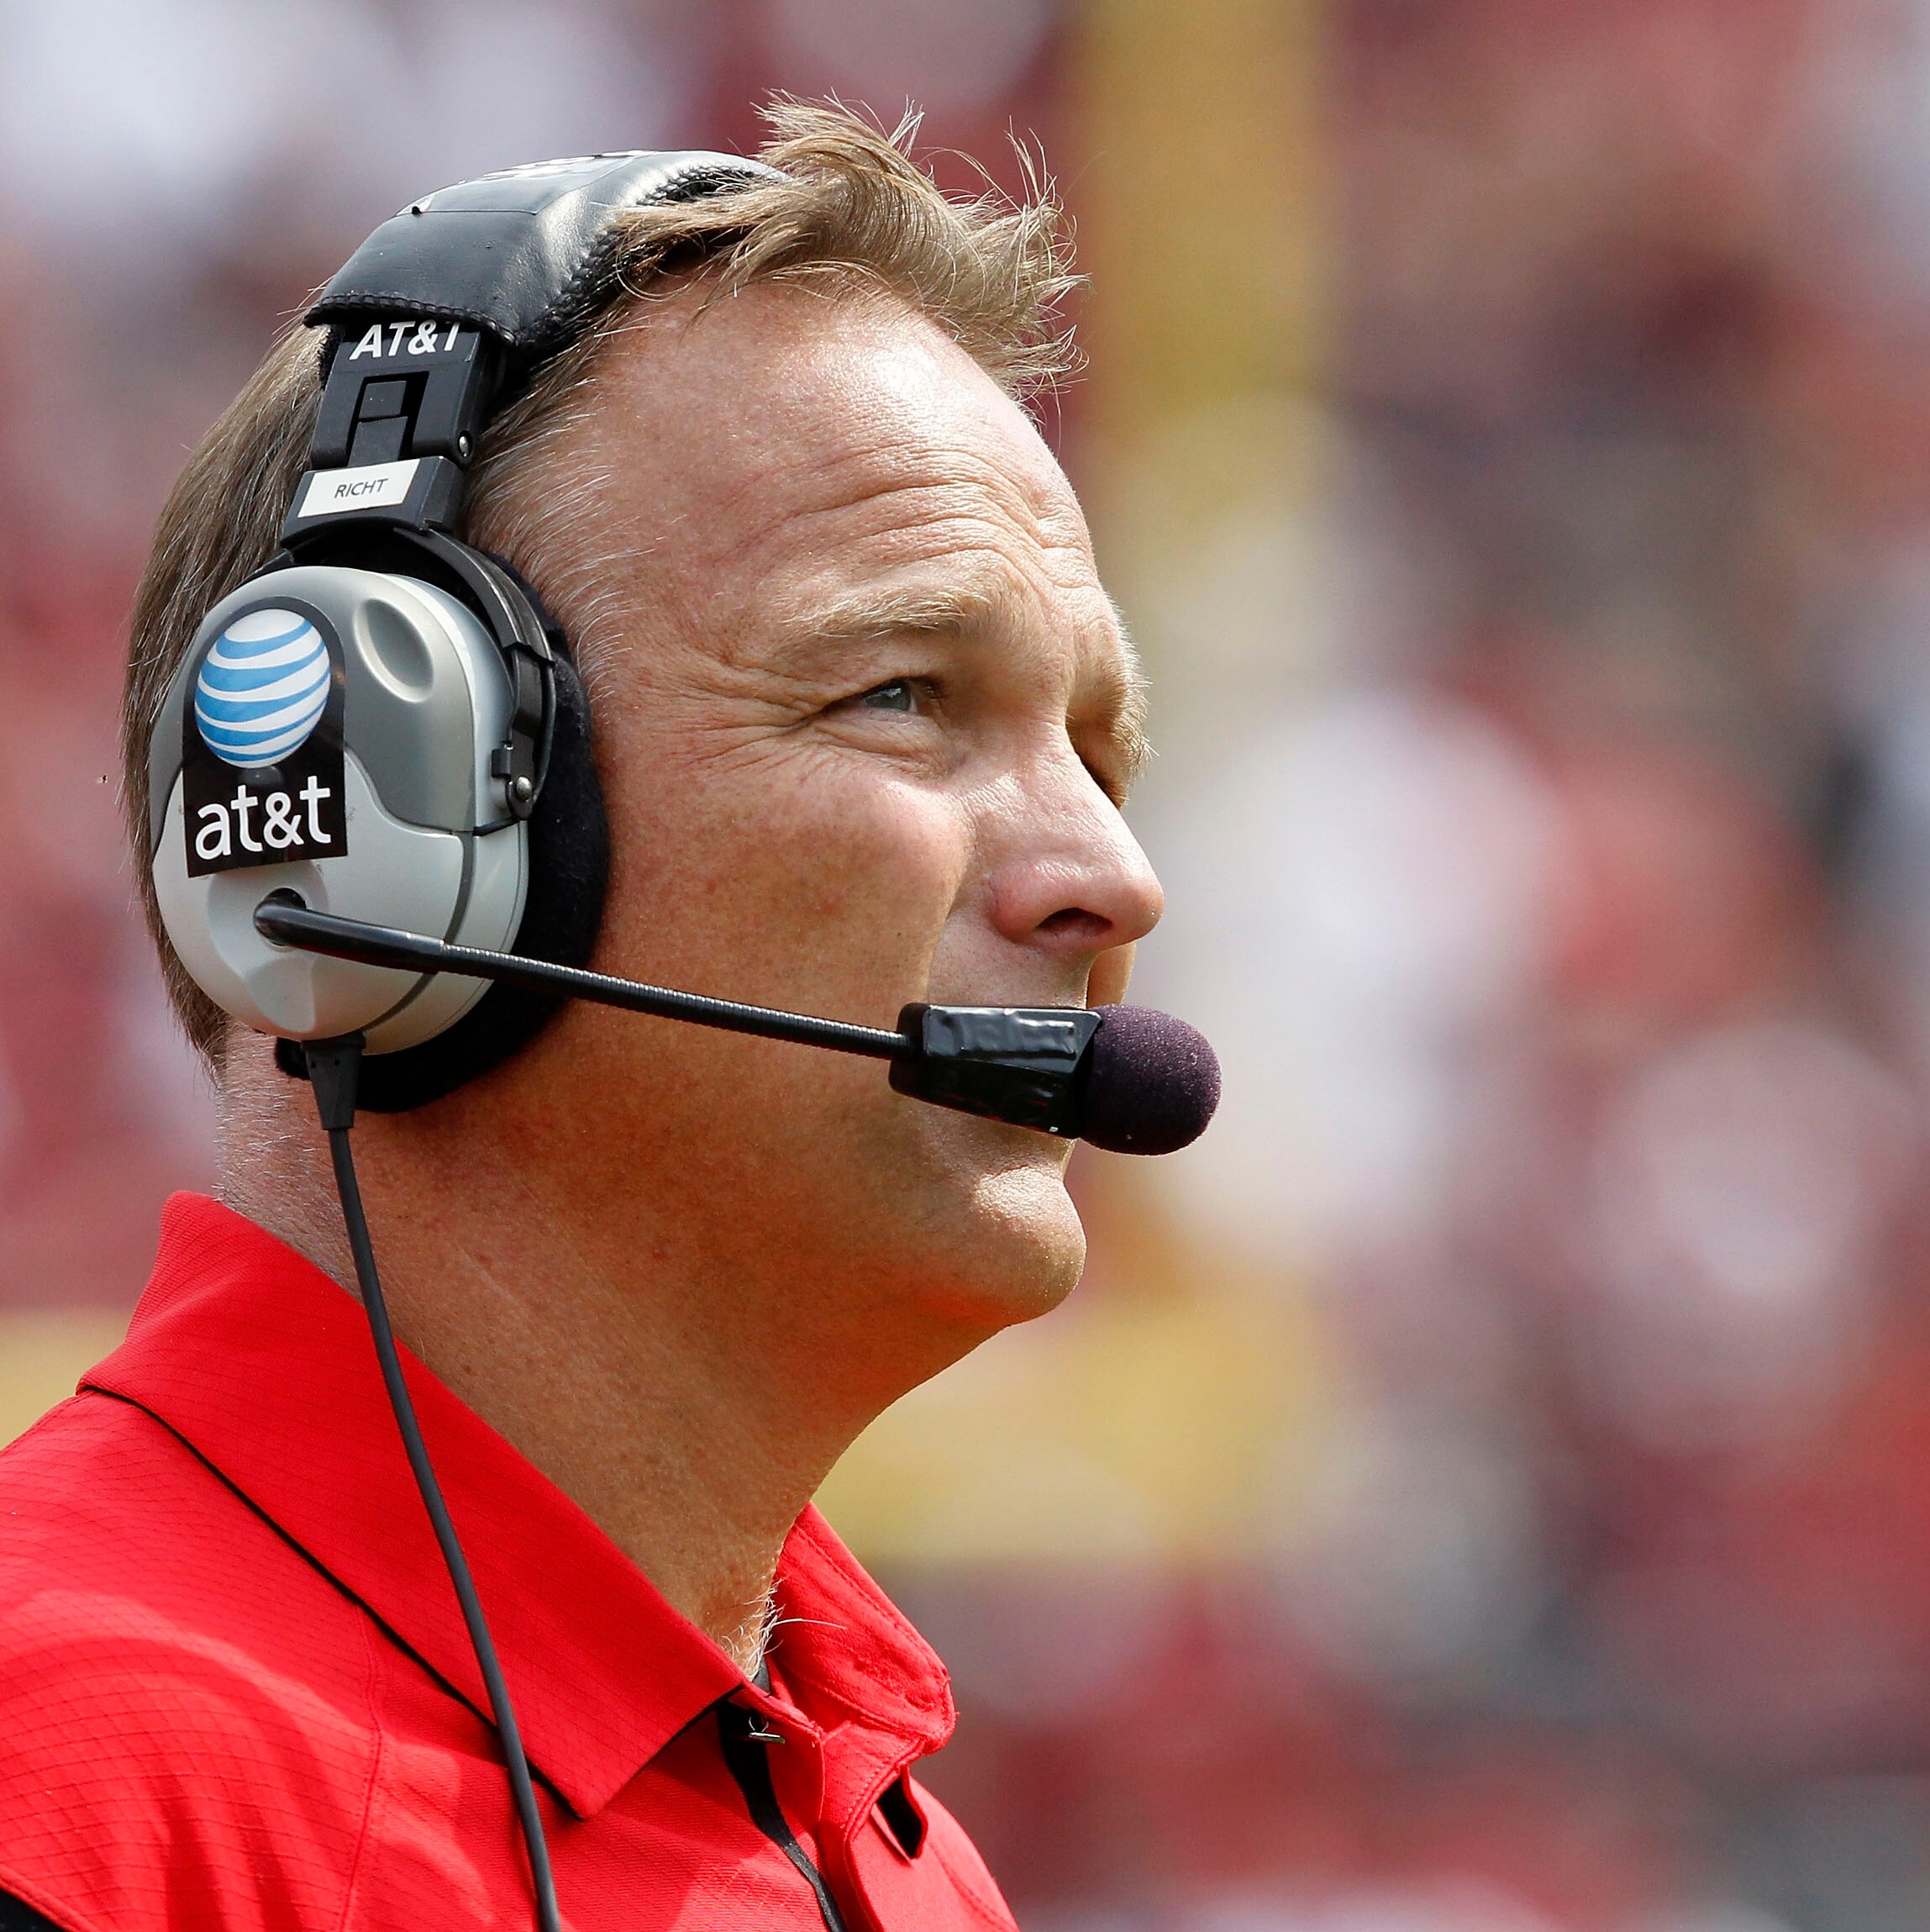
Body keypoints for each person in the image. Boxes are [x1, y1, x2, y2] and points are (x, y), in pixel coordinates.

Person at [0, 103, 1164, 1930]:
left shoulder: (902, 1858)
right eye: (905, 695)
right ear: (380, 821)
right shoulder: (65, 1787)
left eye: (1099, 751)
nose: (1109, 873)